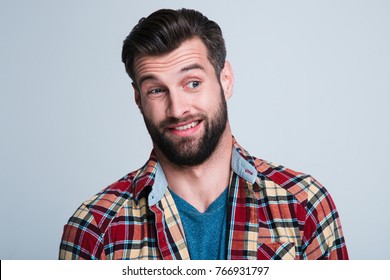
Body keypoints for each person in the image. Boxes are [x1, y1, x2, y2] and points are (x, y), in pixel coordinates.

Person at [59, 8, 348, 260]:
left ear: (226, 81)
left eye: (193, 83)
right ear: (138, 100)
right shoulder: (95, 228)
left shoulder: (304, 203)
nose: (177, 109)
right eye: (157, 90)